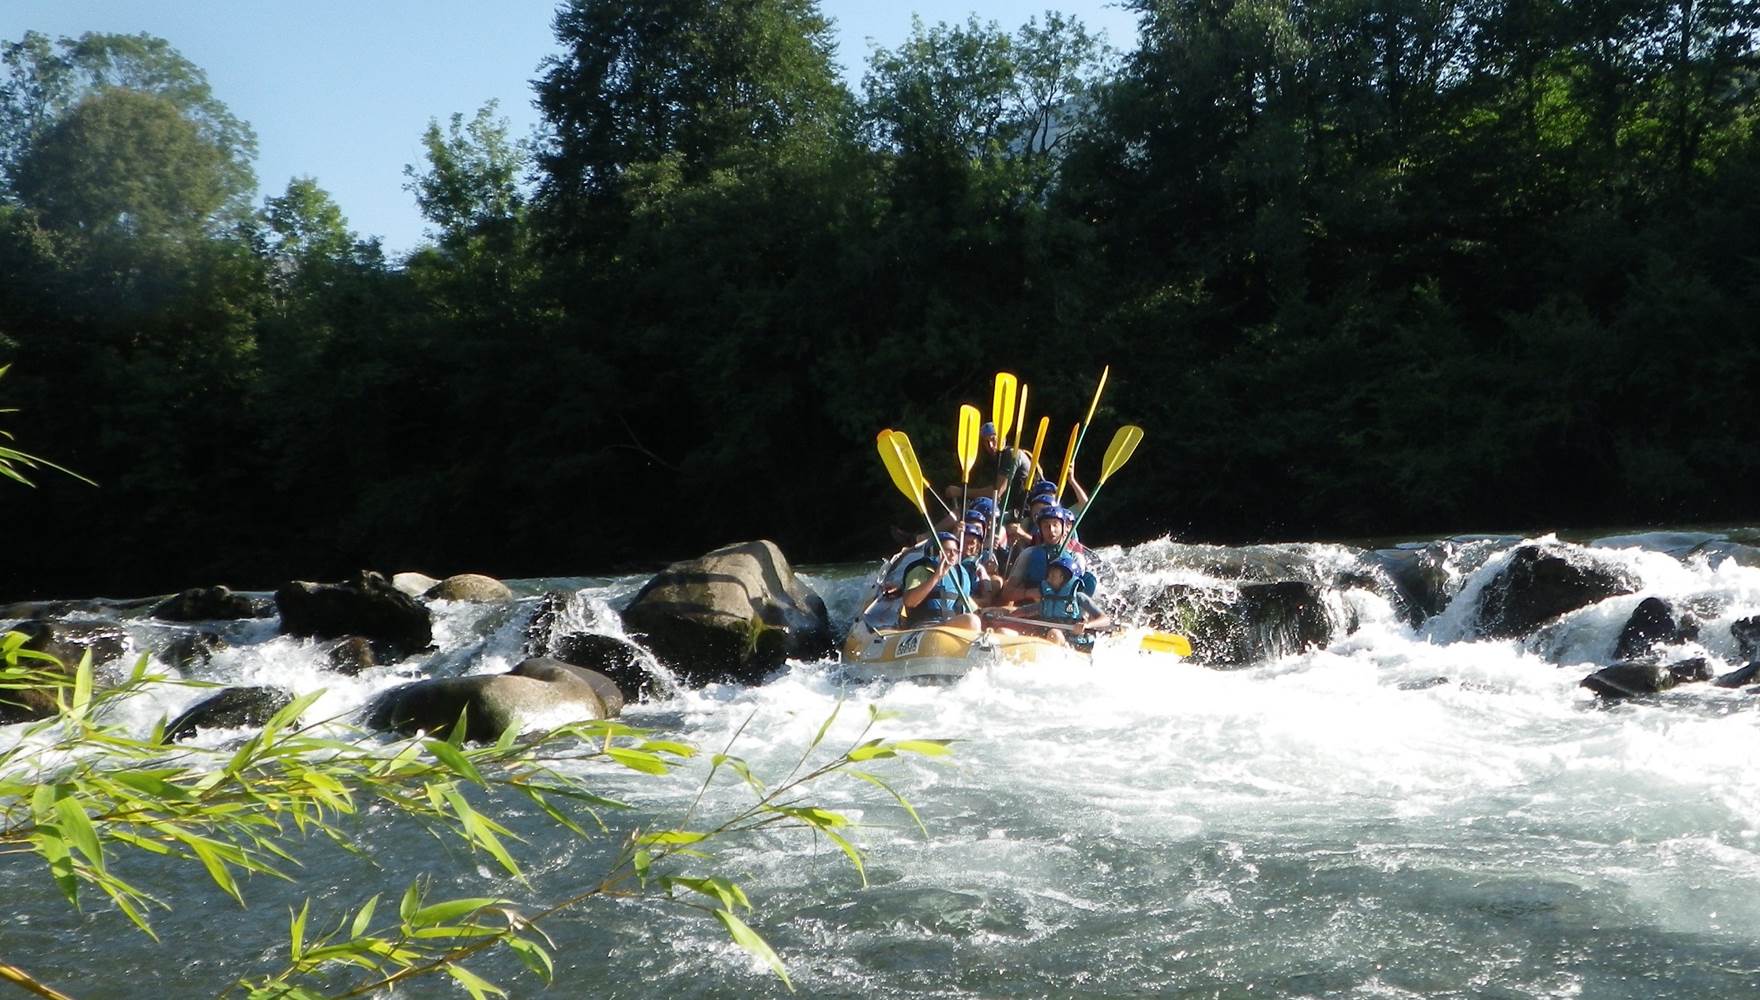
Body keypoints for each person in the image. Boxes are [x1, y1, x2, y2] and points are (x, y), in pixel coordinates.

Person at [988, 554, 1111, 648]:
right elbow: (1026, 611)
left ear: (1066, 578)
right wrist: (1003, 617)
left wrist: (1087, 625)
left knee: (1054, 634)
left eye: (1053, 576)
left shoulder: (1079, 597)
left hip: (1068, 641)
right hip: (1043, 636)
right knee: (1002, 632)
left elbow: (1105, 619)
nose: (1048, 579)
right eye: (1049, 575)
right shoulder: (1047, 597)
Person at [997, 505, 1083, 605]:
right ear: (1040, 530)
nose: (1051, 530)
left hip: (1064, 611)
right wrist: (1029, 593)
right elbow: (1007, 593)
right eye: (1046, 526)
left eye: (1055, 525)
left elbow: (1081, 596)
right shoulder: (1028, 554)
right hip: (1031, 607)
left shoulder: (1076, 558)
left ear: (1064, 528)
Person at [898, 531, 982, 630]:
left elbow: (971, 607)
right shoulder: (920, 570)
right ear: (934, 551)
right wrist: (936, 576)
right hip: (924, 627)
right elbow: (909, 602)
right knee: (971, 621)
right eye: (948, 550)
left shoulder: (959, 575)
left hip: (950, 627)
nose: (952, 555)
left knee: (996, 626)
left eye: (955, 551)